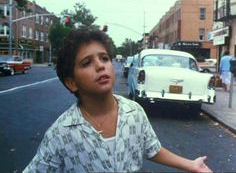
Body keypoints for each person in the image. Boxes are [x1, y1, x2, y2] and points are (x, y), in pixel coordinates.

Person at [23, 27, 212, 173]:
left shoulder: (134, 112)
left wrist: (191, 165)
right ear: (72, 83)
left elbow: (152, 148)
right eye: (87, 63)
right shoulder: (60, 133)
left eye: (104, 58)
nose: (100, 66)